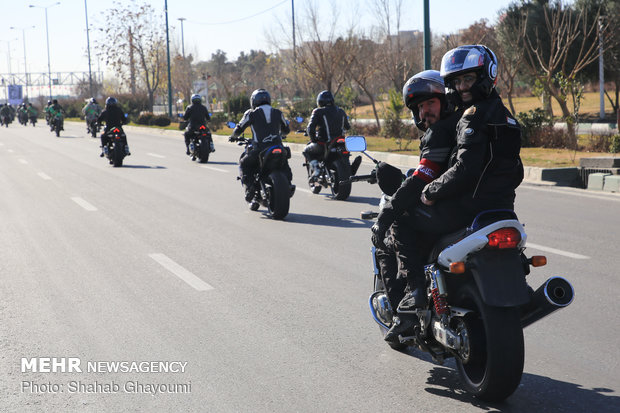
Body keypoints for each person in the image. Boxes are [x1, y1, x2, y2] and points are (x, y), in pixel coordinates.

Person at [377, 45, 524, 341]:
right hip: (502, 208)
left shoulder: (469, 117)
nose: (462, 88)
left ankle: (415, 293)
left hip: (465, 207)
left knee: (400, 222)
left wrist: (430, 192)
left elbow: (464, 168)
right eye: (456, 82)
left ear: (486, 75)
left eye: (468, 80)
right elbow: (516, 171)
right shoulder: (506, 117)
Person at [371, 70, 460, 340]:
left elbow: (421, 179)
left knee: (388, 236)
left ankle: (409, 304)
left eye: (429, 104)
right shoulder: (464, 125)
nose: (424, 112)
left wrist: (384, 216)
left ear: (444, 101)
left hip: (448, 212)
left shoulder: (441, 131)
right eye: (419, 107)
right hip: (472, 208)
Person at [229, 88, 293, 202]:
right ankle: (288, 183)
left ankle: (250, 188)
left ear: (253, 101)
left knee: (244, 163)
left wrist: (233, 136)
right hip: (278, 147)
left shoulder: (251, 113)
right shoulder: (278, 112)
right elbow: (286, 130)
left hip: (260, 149)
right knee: (284, 162)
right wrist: (280, 134)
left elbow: (238, 128)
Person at [303, 90, 351, 181]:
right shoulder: (341, 111)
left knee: (306, 150)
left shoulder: (317, 111)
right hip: (340, 142)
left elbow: (310, 129)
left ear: (320, 102)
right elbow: (347, 127)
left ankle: (316, 170)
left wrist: (314, 139)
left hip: (324, 143)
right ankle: (350, 168)